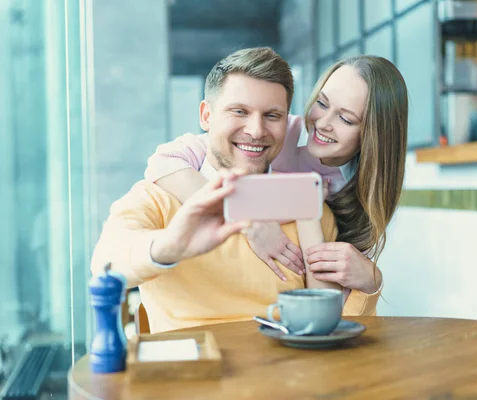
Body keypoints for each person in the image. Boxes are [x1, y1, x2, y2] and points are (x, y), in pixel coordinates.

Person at [91, 48, 380, 334]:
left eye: (272, 115)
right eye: (239, 111)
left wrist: (370, 280)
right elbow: (105, 265)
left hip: (286, 374)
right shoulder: (157, 196)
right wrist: (171, 245)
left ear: (287, 122)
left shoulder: (311, 205)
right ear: (206, 115)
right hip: (195, 372)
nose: (256, 130)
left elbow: (329, 328)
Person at [145, 55, 409, 297]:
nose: (323, 122)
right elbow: (163, 161)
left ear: (373, 135)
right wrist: (249, 217)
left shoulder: (362, 194)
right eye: (321, 103)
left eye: (346, 119)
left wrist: (372, 279)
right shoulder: (280, 133)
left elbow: (332, 299)